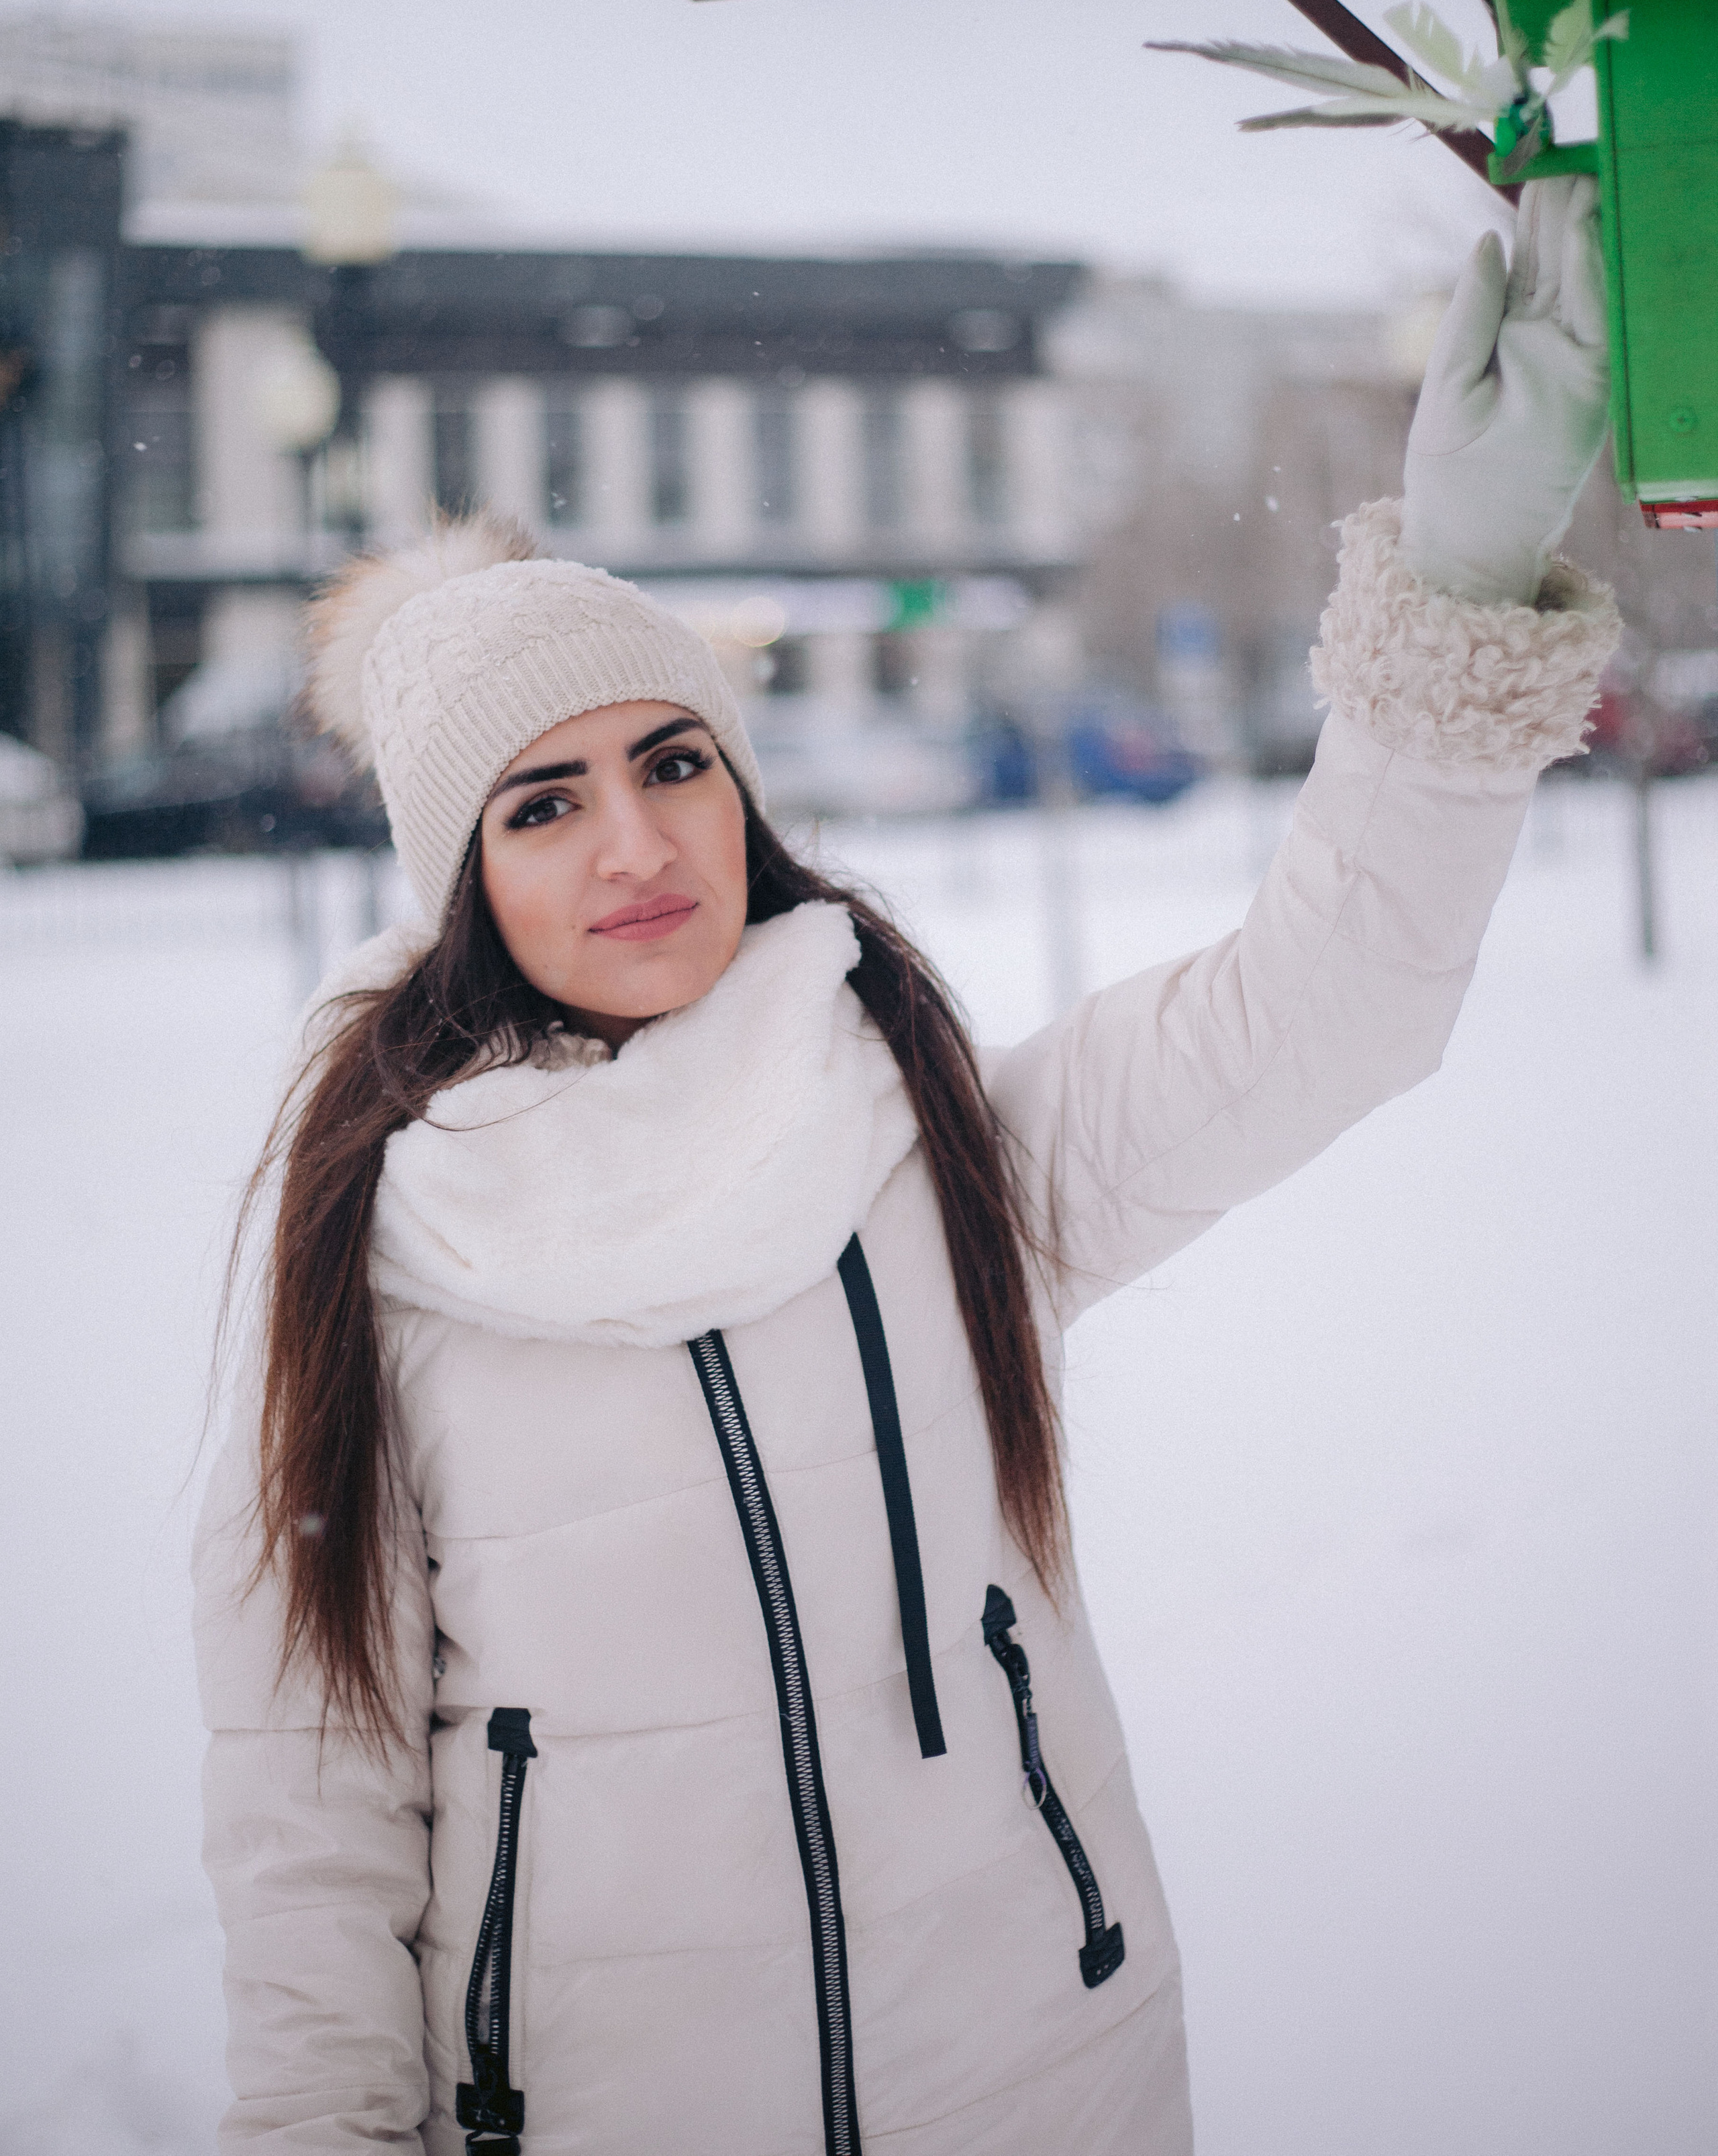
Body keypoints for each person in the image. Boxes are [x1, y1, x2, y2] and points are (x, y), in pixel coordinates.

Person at [196, 181, 1619, 2155]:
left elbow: (1335, 1000)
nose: (637, 844)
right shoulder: (379, 1259)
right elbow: (309, 1813)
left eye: (674, 763)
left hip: (1049, 2076)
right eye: (546, 803)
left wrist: (1458, 581)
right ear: (460, 884)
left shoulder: (929, 1137)